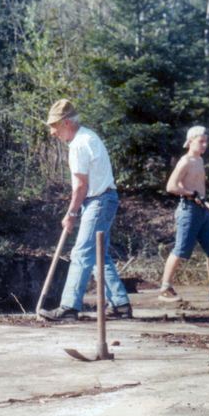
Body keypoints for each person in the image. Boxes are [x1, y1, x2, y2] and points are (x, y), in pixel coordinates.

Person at [42, 99, 132, 320]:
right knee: (99, 255)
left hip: (98, 201)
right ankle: (120, 304)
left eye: (54, 126)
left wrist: (71, 214)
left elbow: (81, 186)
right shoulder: (87, 137)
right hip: (103, 199)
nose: (53, 132)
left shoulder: (80, 144)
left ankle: (69, 308)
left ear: (66, 123)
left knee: (81, 253)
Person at [158, 126, 209, 302]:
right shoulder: (185, 161)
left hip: (202, 210)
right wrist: (190, 194)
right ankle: (165, 288)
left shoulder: (199, 160)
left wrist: (200, 197)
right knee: (181, 249)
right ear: (190, 141)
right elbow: (171, 186)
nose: (204, 145)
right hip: (188, 210)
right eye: (201, 141)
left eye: (206, 141)